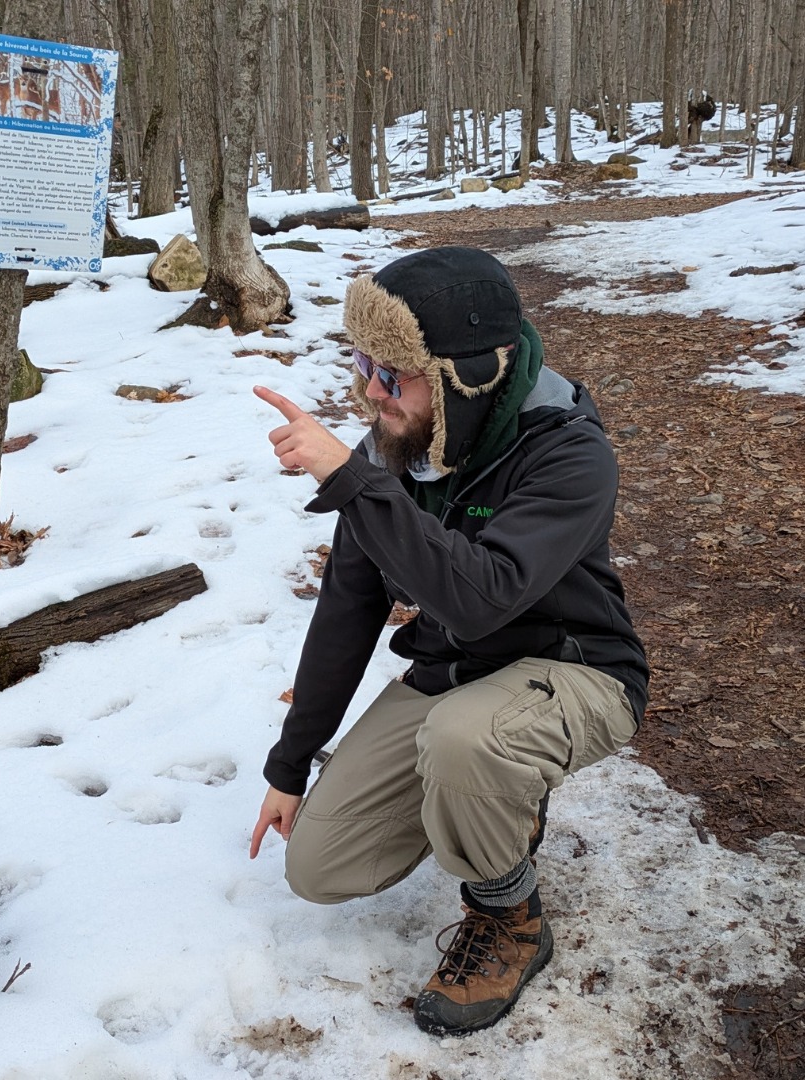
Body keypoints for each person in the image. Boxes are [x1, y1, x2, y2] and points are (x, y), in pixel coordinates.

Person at [250, 247, 649, 1037]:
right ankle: (483, 796)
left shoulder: (569, 451)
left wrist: (354, 485)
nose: (371, 391)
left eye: (394, 373)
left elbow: (480, 599)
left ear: (469, 372)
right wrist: (290, 764)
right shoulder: (395, 452)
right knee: (321, 867)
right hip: (458, 677)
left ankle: (510, 919)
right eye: (365, 363)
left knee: (467, 742)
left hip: (575, 671)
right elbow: (347, 611)